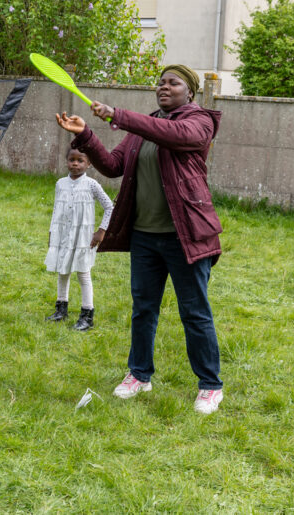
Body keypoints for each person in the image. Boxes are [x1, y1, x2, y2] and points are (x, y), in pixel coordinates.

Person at [55, 64, 225, 414]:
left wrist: (117, 115)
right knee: (143, 309)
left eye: (173, 83)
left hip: (185, 236)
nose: (164, 87)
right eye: (160, 82)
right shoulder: (144, 127)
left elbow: (176, 135)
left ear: (190, 92)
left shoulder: (199, 122)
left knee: (194, 312)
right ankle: (139, 375)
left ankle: (210, 385)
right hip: (146, 236)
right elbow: (113, 165)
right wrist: (86, 134)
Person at [44, 147, 114, 331]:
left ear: (89, 164)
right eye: (72, 159)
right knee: (63, 271)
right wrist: (52, 232)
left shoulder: (92, 185)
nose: (75, 163)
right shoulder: (60, 184)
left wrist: (101, 232)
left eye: (80, 160)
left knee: (83, 273)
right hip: (63, 236)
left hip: (83, 238)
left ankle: (87, 315)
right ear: (67, 161)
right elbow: (56, 209)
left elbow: (109, 207)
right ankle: (61, 309)